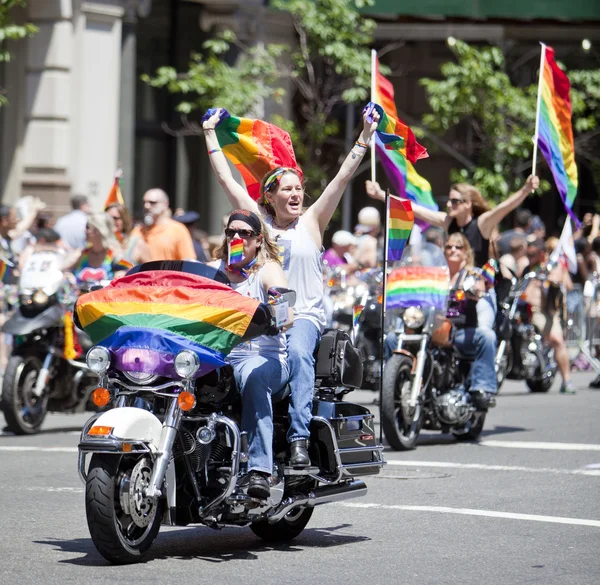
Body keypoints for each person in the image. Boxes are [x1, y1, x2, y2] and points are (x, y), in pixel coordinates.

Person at [203, 106, 379, 467]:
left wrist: (364, 136)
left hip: (303, 317)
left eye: (299, 188)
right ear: (270, 196)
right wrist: (209, 132)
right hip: (257, 317)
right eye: (287, 189)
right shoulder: (258, 225)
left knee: (299, 353)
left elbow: (342, 179)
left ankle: (299, 438)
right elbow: (227, 181)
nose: (296, 193)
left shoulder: (312, 222)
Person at [366, 175, 539, 331]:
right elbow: (413, 208)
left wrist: (526, 189)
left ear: (468, 204)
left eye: (454, 201)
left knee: (484, 333)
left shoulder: (482, 223)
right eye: (449, 201)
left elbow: (504, 207)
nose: (449, 205)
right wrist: (382, 195)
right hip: (450, 287)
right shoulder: (449, 222)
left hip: (478, 290)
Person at [208, 210, 293, 499]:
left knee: (253, 376)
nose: (236, 237)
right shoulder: (213, 271)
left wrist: (278, 314)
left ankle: (259, 470)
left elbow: (283, 302)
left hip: (263, 356)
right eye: (231, 232)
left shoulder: (266, 269)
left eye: (244, 233)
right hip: (218, 356)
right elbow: (180, 287)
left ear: (258, 240)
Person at [444, 232, 498, 409]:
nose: (452, 250)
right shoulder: (437, 275)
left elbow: (479, 286)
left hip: (460, 332)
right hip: (435, 331)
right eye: (449, 246)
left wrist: (474, 290)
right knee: (393, 338)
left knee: (486, 336)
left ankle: (482, 388)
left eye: (458, 247)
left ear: (466, 252)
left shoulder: (471, 274)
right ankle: (395, 389)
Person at [521, 238, 575, 394]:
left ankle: (567, 380)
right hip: (524, 311)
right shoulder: (527, 269)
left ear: (542, 253)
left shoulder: (551, 267)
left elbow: (565, 283)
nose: (529, 258)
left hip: (544, 311)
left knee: (557, 340)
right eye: (527, 254)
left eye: (532, 254)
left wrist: (555, 279)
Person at [129, 189, 196, 262]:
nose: (147, 206)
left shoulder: (178, 230)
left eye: (152, 202)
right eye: (144, 202)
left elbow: (188, 262)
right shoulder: (138, 231)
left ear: (165, 204)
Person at [65, 213, 125, 284]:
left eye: (88, 227)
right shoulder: (82, 253)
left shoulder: (115, 255)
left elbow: (122, 281)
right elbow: (62, 269)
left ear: (99, 230)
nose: (84, 230)